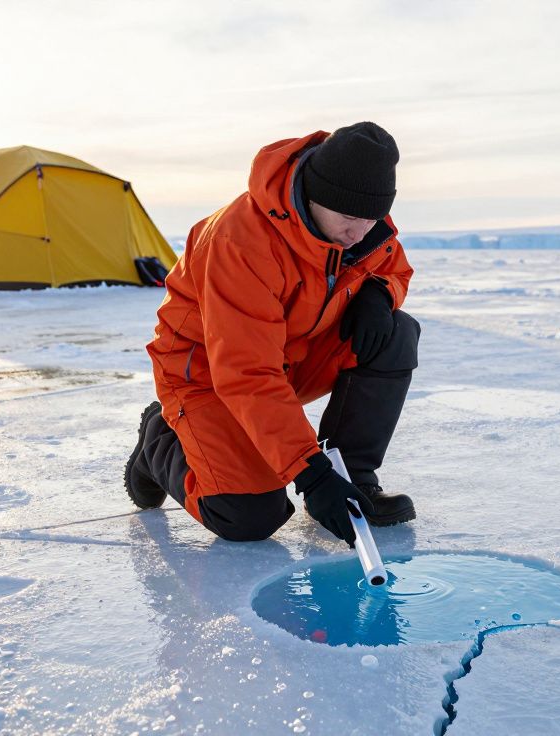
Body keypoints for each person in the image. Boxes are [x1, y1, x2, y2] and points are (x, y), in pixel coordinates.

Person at [124, 121, 420, 546]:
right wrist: (311, 474)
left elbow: (394, 267)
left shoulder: (363, 226)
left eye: (372, 219)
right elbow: (246, 370)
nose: (360, 232)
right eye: (350, 218)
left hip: (290, 361)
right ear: (317, 196)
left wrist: (379, 292)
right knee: (249, 515)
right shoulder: (238, 240)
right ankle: (158, 440)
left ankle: (353, 477)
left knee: (396, 331)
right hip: (208, 374)